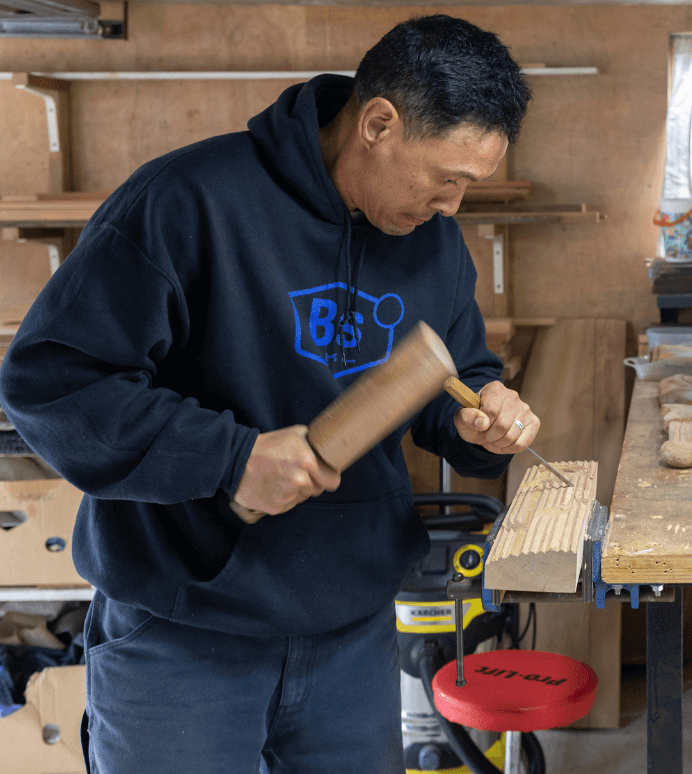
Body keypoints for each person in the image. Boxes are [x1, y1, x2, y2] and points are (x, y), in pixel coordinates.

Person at [0, 15, 535, 774]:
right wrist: (234, 459)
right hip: (183, 628)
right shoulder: (186, 202)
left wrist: (479, 414)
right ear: (379, 123)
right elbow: (53, 384)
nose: (453, 205)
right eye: (445, 178)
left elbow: (458, 380)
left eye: (468, 186)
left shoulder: (433, 245)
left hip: (351, 632)